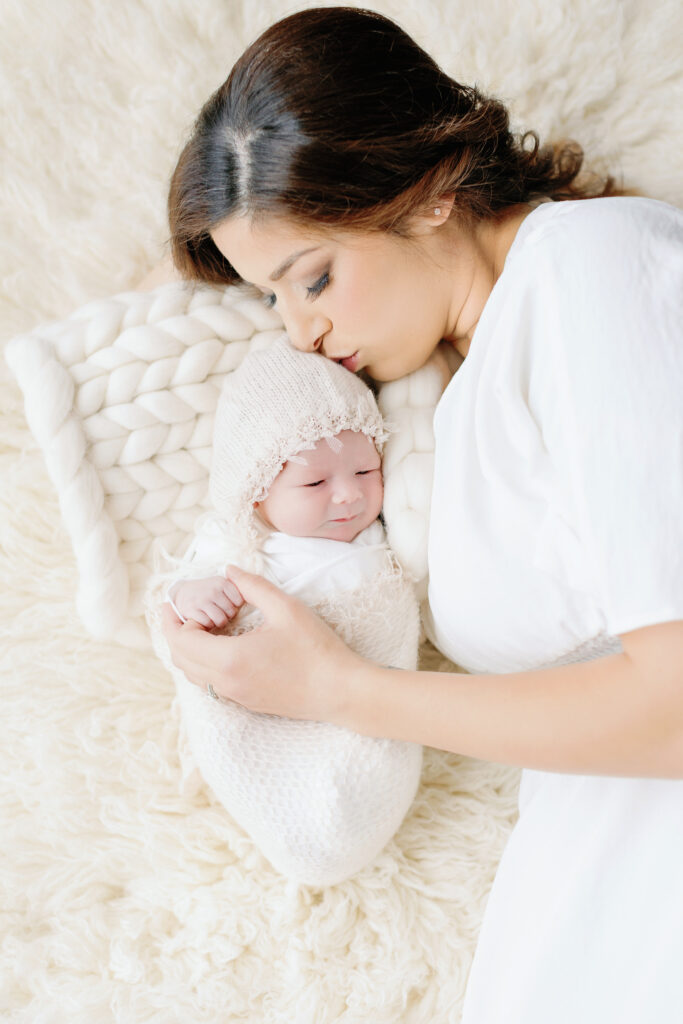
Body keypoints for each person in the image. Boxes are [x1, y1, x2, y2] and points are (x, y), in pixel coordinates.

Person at [160, 7, 683, 1022]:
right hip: (581, 905)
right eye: (270, 300)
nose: (300, 331)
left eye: (311, 278)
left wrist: (338, 690)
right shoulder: (444, 397)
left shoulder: (590, 269)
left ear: (430, 186)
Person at [147, 336, 422, 886]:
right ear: (255, 493)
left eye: (366, 472)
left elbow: (398, 619)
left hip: (362, 689)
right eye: (315, 482)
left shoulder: (377, 538)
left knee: (365, 759)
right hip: (267, 708)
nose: (347, 496)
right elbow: (173, 617)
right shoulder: (237, 546)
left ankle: (354, 808)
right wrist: (190, 599)